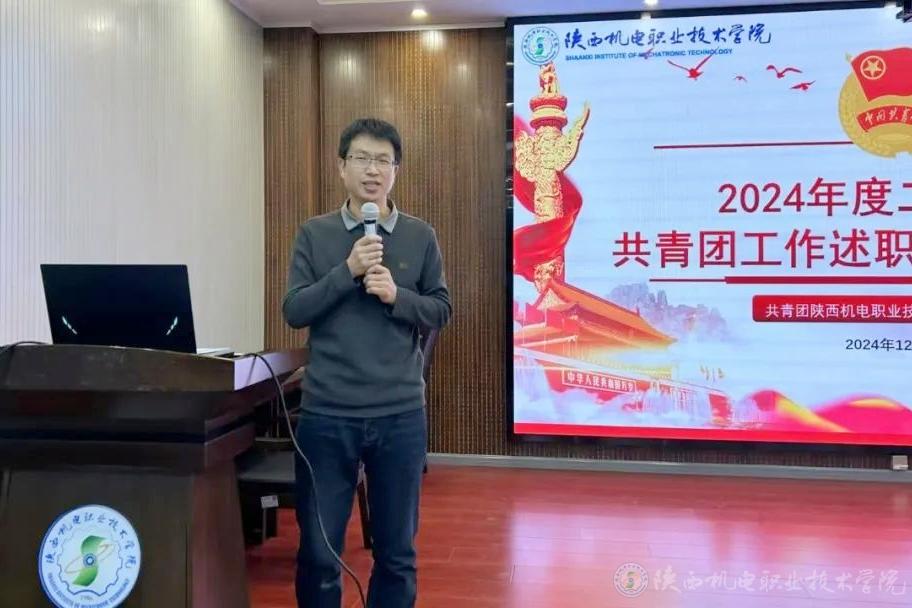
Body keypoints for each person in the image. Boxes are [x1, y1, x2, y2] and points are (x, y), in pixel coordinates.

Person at [282, 117, 451, 608]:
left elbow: (441, 309)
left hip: (399, 414)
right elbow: (295, 310)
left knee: (396, 552)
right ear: (342, 167)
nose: (372, 170)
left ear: (396, 171)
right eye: (361, 159)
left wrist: (398, 296)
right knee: (319, 552)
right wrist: (347, 271)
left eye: (383, 161)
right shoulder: (315, 234)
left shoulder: (420, 236)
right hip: (327, 413)